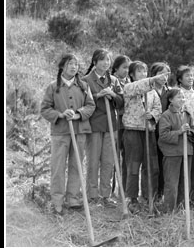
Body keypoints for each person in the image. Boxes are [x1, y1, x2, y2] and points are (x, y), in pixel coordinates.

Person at [41, 54, 96, 215]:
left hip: (79, 132)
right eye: (70, 64)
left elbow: (90, 106)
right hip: (60, 133)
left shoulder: (84, 86)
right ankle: (57, 201)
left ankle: (73, 199)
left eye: (76, 64)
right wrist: (60, 114)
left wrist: (78, 114)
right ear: (62, 67)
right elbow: (44, 109)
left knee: (76, 164)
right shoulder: (53, 87)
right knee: (58, 166)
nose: (74, 67)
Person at [122, 60, 169, 213]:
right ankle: (132, 199)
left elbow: (158, 108)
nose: (143, 74)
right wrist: (151, 81)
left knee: (151, 166)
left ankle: (149, 197)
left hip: (148, 130)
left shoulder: (152, 92)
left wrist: (153, 115)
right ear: (131, 74)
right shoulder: (129, 87)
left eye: (145, 71)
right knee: (134, 165)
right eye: (139, 71)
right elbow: (138, 87)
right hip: (133, 130)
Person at [82, 49, 124, 208]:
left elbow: (121, 102)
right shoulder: (86, 80)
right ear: (94, 62)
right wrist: (99, 95)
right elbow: (83, 102)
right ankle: (92, 196)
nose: (106, 63)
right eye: (102, 60)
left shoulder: (113, 80)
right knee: (93, 161)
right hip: (94, 125)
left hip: (110, 125)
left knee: (108, 161)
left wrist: (113, 95)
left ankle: (105, 195)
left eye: (108, 60)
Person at [158, 88, 194, 212]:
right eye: (179, 97)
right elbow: (163, 135)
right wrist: (179, 132)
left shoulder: (187, 114)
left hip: (186, 151)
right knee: (171, 183)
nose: (182, 100)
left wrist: (190, 132)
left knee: (184, 182)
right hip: (172, 153)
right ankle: (169, 209)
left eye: (183, 97)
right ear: (171, 100)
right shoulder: (166, 115)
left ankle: (182, 208)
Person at [176, 65, 194, 204]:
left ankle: (193, 197)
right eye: (187, 76)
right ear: (180, 78)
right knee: (184, 167)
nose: (190, 78)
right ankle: (183, 197)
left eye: (192, 75)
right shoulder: (177, 93)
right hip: (184, 134)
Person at [149, 62, 172, 201]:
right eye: (161, 73)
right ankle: (150, 193)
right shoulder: (148, 91)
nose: (164, 77)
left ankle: (161, 193)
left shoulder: (170, 92)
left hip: (166, 133)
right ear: (153, 75)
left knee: (164, 164)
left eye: (167, 74)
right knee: (152, 164)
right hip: (152, 131)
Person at [111, 55, 131, 196]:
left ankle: (123, 190)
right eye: (124, 67)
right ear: (116, 68)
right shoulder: (111, 82)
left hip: (128, 125)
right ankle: (109, 190)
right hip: (115, 123)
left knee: (126, 159)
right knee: (113, 158)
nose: (126, 70)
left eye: (128, 68)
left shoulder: (131, 82)